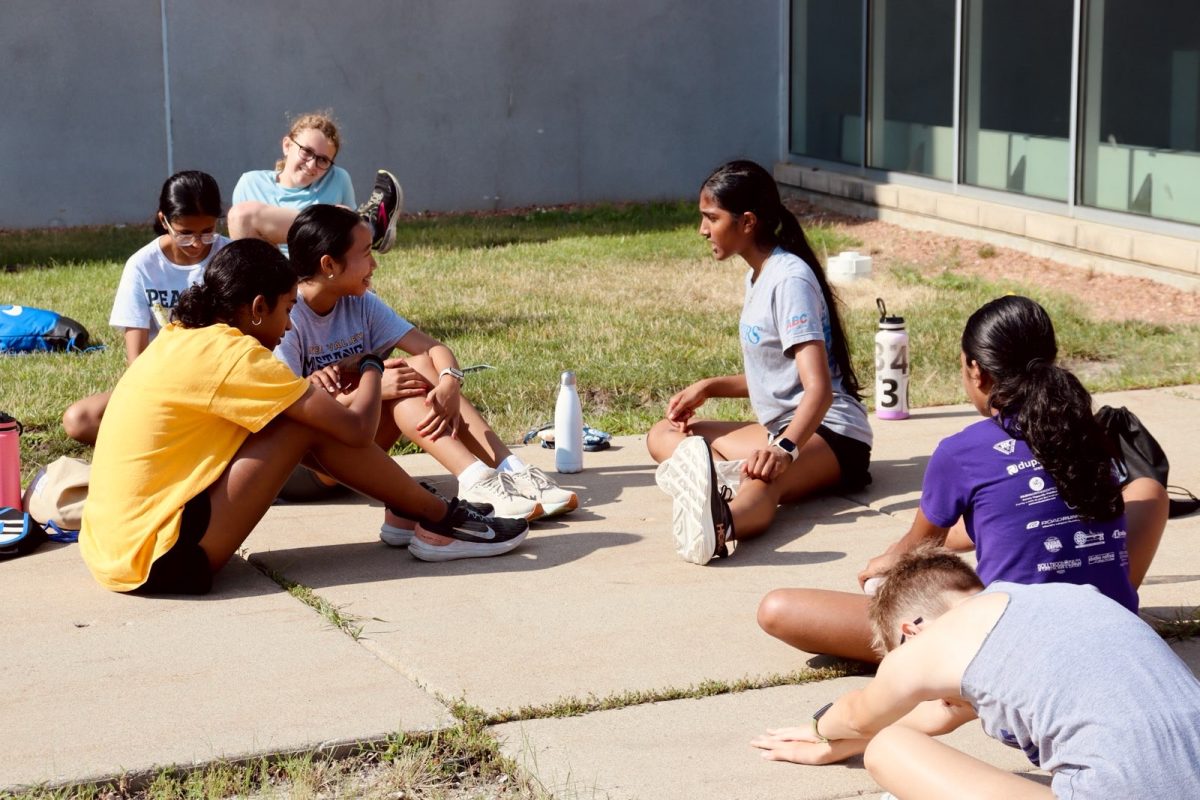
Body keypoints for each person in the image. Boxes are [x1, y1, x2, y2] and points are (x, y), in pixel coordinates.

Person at [79, 239, 529, 594]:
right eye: (287, 308)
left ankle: (423, 511)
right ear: (258, 308)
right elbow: (355, 431)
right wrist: (371, 365)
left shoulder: (181, 336)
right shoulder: (234, 355)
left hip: (116, 551)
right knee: (301, 421)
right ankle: (442, 520)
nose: (291, 325)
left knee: (294, 416)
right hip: (162, 561)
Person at [756, 295, 1169, 663]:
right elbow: (1017, 511)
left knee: (779, 608)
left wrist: (889, 559)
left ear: (977, 371)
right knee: (1147, 490)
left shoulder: (962, 450)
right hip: (1113, 629)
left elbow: (918, 546)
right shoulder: (1088, 432)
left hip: (1015, 647)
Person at [751, 548, 1200, 799]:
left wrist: (820, 730)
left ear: (911, 631)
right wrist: (840, 748)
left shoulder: (930, 644)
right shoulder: (1065, 601)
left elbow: (858, 715)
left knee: (889, 750)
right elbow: (939, 716)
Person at [276, 204, 578, 546]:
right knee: (401, 381)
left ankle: (508, 469)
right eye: (365, 254)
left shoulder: (360, 302)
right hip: (306, 468)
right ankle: (476, 476)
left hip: (354, 444)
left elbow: (433, 349)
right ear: (328, 265)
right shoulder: (288, 314)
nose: (374, 264)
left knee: (418, 366)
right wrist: (373, 390)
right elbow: (288, 412)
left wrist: (449, 380)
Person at [647, 160, 872, 565]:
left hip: (831, 433)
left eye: (711, 218)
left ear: (747, 222)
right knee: (666, 435)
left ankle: (716, 527)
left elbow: (817, 390)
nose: (702, 230)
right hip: (781, 428)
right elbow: (778, 377)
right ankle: (716, 485)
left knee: (764, 480)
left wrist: (784, 449)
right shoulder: (759, 275)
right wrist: (710, 386)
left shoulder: (789, 280)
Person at [62, 170, 230, 445]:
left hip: (218, 381)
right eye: (185, 234)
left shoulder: (230, 257)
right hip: (161, 382)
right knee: (79, 419)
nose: (198, 244)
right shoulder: (142, 265)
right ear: (164, 220)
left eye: (208, 232)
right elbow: (136, 357)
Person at [227, 110, 402, 254]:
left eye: (323, 160)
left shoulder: (337, 179)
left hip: (318, 275)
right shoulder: (250, 183)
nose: (312, 165)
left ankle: (366, 227)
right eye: (306, 152)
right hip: (270, 279)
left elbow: (353, 250)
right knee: (242, 216)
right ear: (287, 145)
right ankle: (369, 226)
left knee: (342, 215)